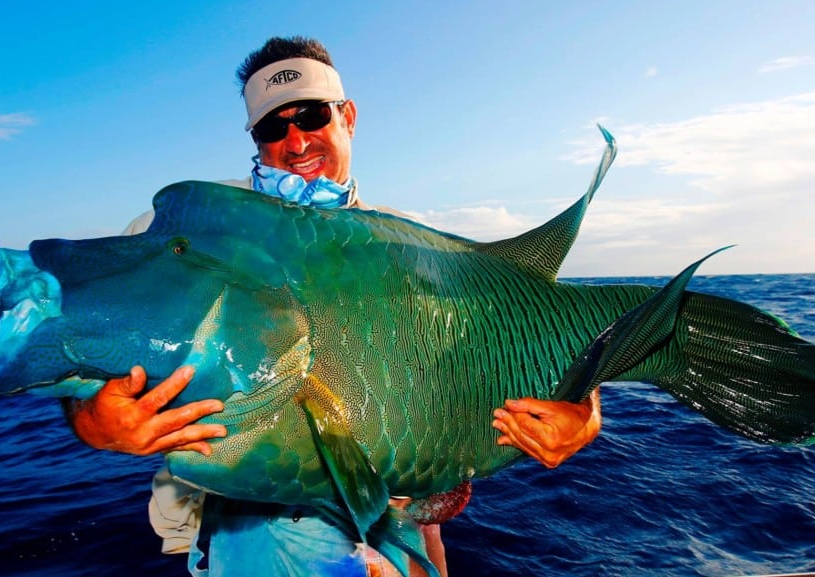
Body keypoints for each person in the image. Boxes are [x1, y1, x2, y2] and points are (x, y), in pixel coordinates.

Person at [64, 36, 602, 577]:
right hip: (237, 526)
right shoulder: (183, 236)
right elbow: (76, 360)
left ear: (348, 116)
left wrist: (584, 414)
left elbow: (526, 333)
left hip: (395, 526)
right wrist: (97, 424)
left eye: (312, 116)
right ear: (254, 139)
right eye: (273, 127)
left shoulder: (413, 249)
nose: (296, 142)